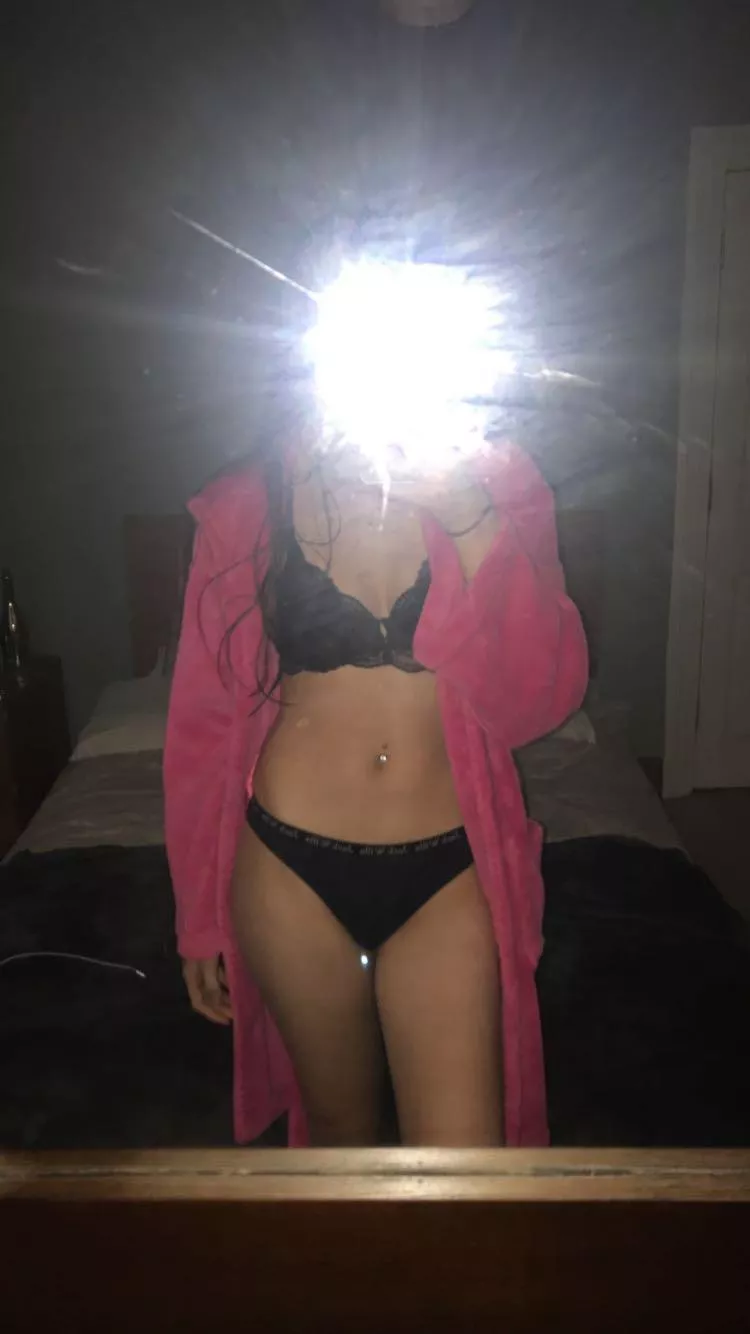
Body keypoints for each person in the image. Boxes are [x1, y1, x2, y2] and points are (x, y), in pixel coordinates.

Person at [164, 374, 588, 1152]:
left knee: (463, 1167)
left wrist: (468, 515)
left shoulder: (496, 480)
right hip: (289, 871)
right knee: (340, 1139)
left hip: (449, 868)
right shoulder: (247, 502)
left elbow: (538, 701)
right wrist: (197, 916)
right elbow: (204, 724)